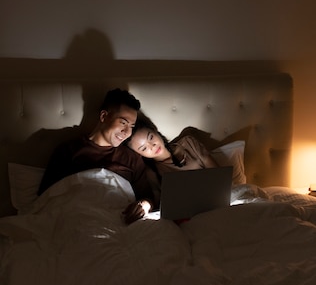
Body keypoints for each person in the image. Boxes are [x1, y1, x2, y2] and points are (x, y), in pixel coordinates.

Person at [38, 88, 156, 218]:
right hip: (74, 215)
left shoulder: (131, 158)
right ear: (104, 116)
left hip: (118, 218)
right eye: (123, 123)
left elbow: (148, 199)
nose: (126, 132)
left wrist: (143, 205)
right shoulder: (68, 150)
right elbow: (46, 198)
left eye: (131, 127)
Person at [122, 115, 218, 224]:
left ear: (155, 131)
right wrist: (145, 205)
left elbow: (218, 175)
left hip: (213, 203)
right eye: (144, 148)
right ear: (139, 154)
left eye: (151, 137)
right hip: (190, 217)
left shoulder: (188, 143)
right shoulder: (152, 172)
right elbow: (159, 203)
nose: (152, 146)